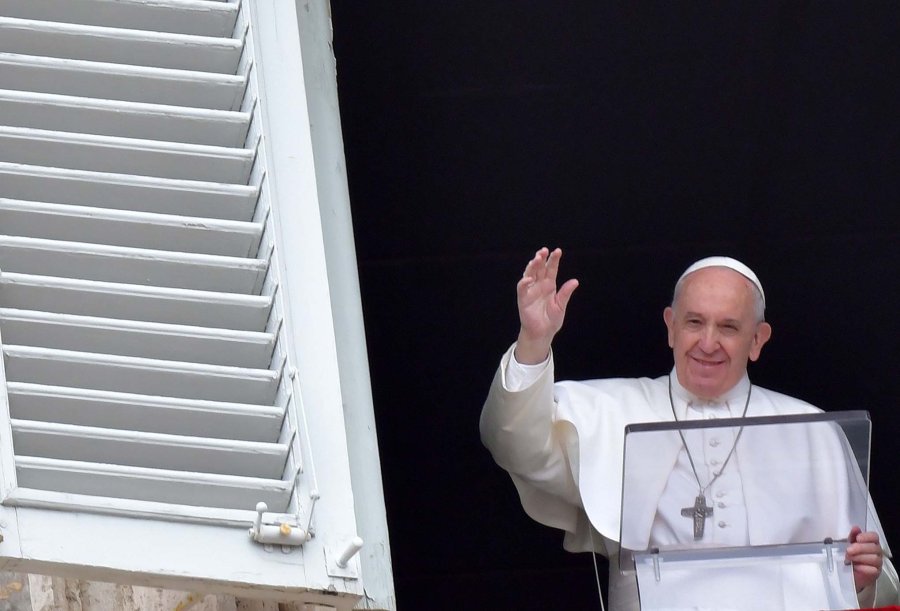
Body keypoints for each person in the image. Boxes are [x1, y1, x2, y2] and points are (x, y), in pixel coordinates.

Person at [480, 247, 898, 610]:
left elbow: (884, 585)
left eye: (729, 327)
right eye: (694, 322)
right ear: (671, 327)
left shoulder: (813, 432)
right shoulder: (611, 409)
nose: (708, 342)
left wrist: (861, 582)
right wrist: (533, 342)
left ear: (757, 340)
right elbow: (514, 442)